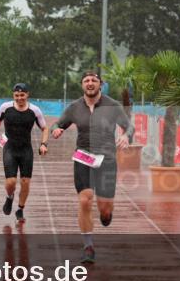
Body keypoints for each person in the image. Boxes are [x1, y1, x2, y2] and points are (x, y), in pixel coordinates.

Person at [51, 71, 133, 264]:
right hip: (83, 157)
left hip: (107, 160)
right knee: (85, 200)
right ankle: (88, 246)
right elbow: (58, 122)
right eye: (86, 81)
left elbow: (129, 127)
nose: (90, 83)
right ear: (82, 85)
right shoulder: (74, 107)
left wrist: (124, 136)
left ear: (100, 84)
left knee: (104, 208)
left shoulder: (113, 106)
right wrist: (57, 128)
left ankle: (106, 214)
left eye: (94, 80)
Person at [0, 83, 49, 222]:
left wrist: (44, 144)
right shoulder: (5, 107)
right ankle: (9, 197)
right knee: (11, 182)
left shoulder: (35, 110)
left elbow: (45, 128)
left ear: (27, 95)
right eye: (17, 95)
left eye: (22, 95)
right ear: (13, 95)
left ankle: (20, 209)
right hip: (10, 148)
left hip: (26, 150)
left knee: (25, 182)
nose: (20, 98)